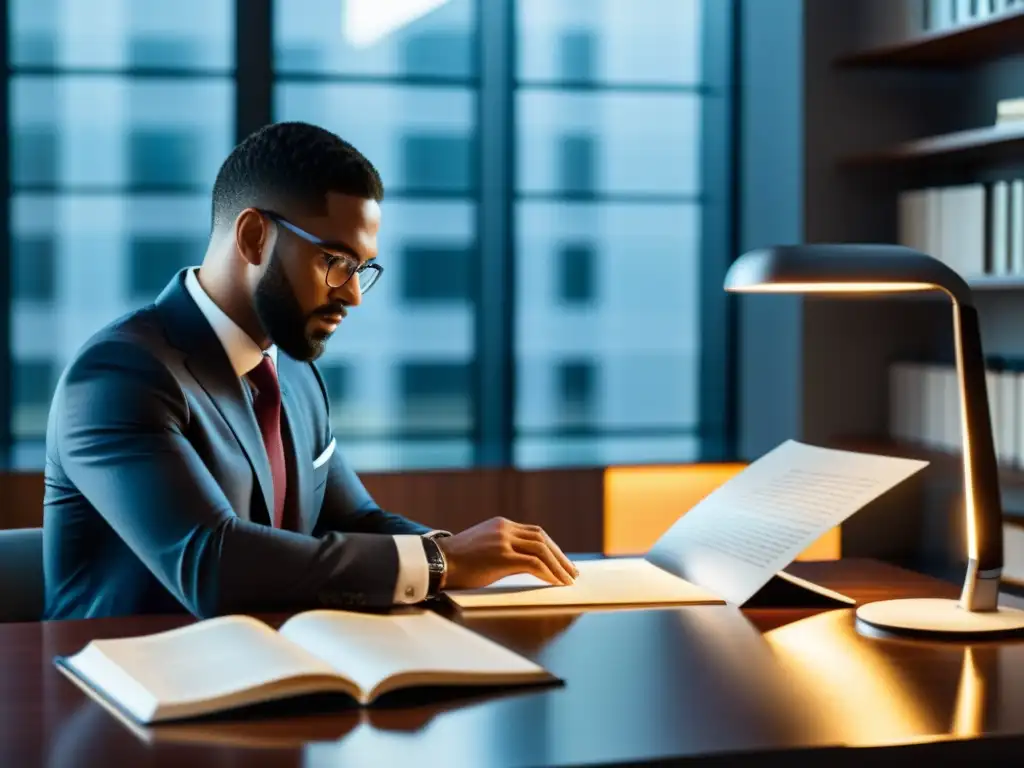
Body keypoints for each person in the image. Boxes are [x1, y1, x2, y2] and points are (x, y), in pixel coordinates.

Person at [42, 121, 577, 620]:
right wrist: (442, 563)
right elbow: (211, 563)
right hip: (119, 695)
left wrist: (463, 554)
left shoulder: (293, 375)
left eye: (362, 269)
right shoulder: (118, 376)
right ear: (253, 238)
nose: (352, 295)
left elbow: (357, 520)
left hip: (266, 678)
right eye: (336, 263)